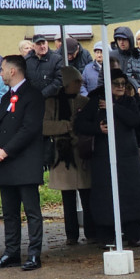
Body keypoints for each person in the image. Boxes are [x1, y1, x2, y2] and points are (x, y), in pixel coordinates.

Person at [75, 69, 140, 248]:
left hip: (128, 157)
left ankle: (133, 233)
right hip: (104, 157)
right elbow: (79, 124)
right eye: (117, 84)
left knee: (131, 194)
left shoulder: (129, 101)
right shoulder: (95, 102)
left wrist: (114, 107)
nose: (121, 87)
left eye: (124, 84)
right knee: (105, 196)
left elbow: (134, 120)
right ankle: (106, 235)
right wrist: (97, 129)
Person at [0, 55, 46, 271]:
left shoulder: (33, 95)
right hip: (5, 163)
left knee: (32, 211)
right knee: (9, 212)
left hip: (25, 162)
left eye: (1, 69)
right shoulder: (6, 98)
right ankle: (11, 252)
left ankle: (34, 254)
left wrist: (6, 150)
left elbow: (29, 129)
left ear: (13, 71)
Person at [45, 67, 93, 245]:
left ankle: (91, 232)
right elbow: (44, 126)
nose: (80, 84)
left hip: (81, 153)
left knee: (88, 196)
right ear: (67, 83)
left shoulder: (84, 101)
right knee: (68, 198)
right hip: (62, 154)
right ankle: (71, 235)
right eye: (76, 82)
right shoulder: (52, 103)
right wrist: (67, 126)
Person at [24, 34, 63, 100]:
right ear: (33, 46)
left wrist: (43, 94)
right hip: (31, 100)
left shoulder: (57, 59)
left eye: (43, 43)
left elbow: (59, 80)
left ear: (47, 43)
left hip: (50, 100)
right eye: (39, 44)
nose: (42, 46)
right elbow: (23, 80)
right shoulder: (26, 60)